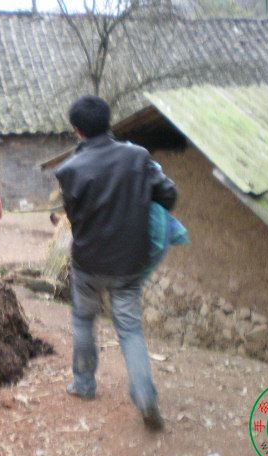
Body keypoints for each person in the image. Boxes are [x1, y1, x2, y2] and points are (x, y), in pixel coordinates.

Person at [55, 96, 178, 432]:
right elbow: (168, 196)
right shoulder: (137, 157)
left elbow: (74, 218)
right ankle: (144, 395)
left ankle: (84, 384)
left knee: (83, 320)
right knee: (129, 329)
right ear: (109, 121)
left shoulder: (67, 170)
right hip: (129, 264)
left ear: (77, 130)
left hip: (88, 264)